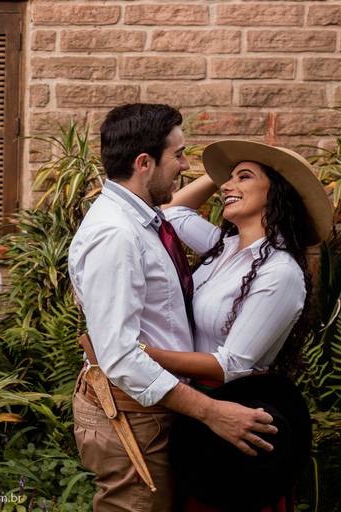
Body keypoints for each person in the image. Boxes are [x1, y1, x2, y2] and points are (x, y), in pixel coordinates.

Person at [68, 104, 277, 512]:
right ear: (144, 163)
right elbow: (121, 356)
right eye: (179, 155)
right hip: (133, 417)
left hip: (152, 410)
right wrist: (211, 412)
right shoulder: (116, 234)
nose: (185, 165)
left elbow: (176, 210)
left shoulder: (142, 221)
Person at [147, 139, 333, 511]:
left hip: (231, 414)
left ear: (277, 192)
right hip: (192, 406)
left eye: (244, 178)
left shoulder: (280, 272)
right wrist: (224, 179)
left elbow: (229, 365)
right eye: (227, 179)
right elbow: (172, 213)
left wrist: (139, 354)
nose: (227, 186)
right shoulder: (223, 248)